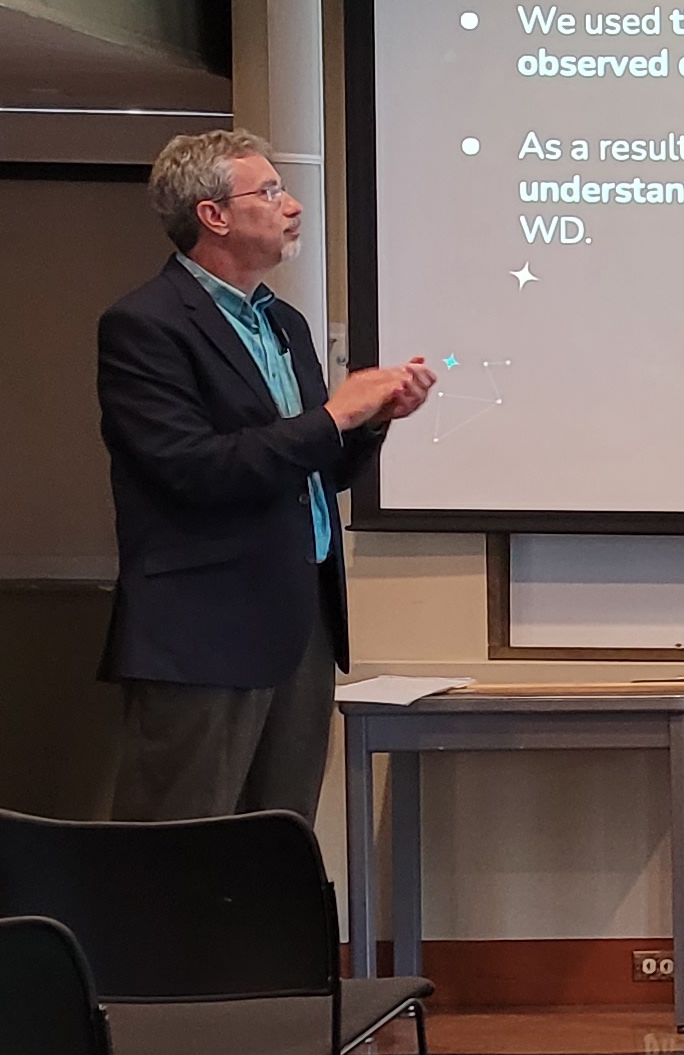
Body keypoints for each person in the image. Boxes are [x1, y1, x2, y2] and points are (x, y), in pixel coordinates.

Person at [99, 129, 437, 822]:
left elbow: (313, 470)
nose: (294, 206)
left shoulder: (283, 322)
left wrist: (371, 421)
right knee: (184, 845)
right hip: (204, 631)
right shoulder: (145, 325)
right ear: (213, 215)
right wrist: (335, 416)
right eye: (271, 192)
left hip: (299, 621)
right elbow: (192, 470)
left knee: (279, 839)